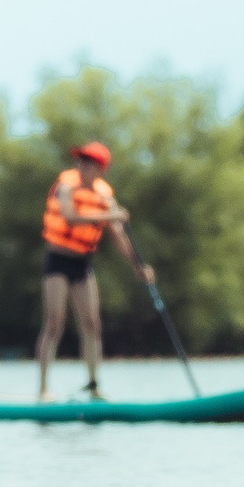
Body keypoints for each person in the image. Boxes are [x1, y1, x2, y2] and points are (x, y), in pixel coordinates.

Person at [37, 140, 153, 400]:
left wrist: (139, 266)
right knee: (54, 321)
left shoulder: (104, 196)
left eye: (88, 163)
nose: (81, 166)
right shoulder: (66, 186)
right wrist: (112, 216)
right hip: (57, 260)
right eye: (80, 161)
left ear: (101, 169)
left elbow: (119, 236)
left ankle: (93, 386)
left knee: (91, 324)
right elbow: (69, 217)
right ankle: (43, 389)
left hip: (82, 263)